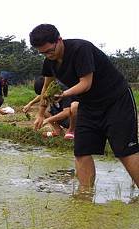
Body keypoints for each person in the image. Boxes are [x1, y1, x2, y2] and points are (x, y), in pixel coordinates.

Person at [29, 23, 139, 189]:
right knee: (81, 151)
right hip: (88, 105)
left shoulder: (81, 49)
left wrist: (64, 94)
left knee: (125, 151)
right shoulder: (49, 62)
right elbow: (46, 88)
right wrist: (40, 113)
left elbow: (86, 84)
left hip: (116, 101)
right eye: (42, 53)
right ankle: (85, 196)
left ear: (59, 40)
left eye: (50, 50)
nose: (48, 55)